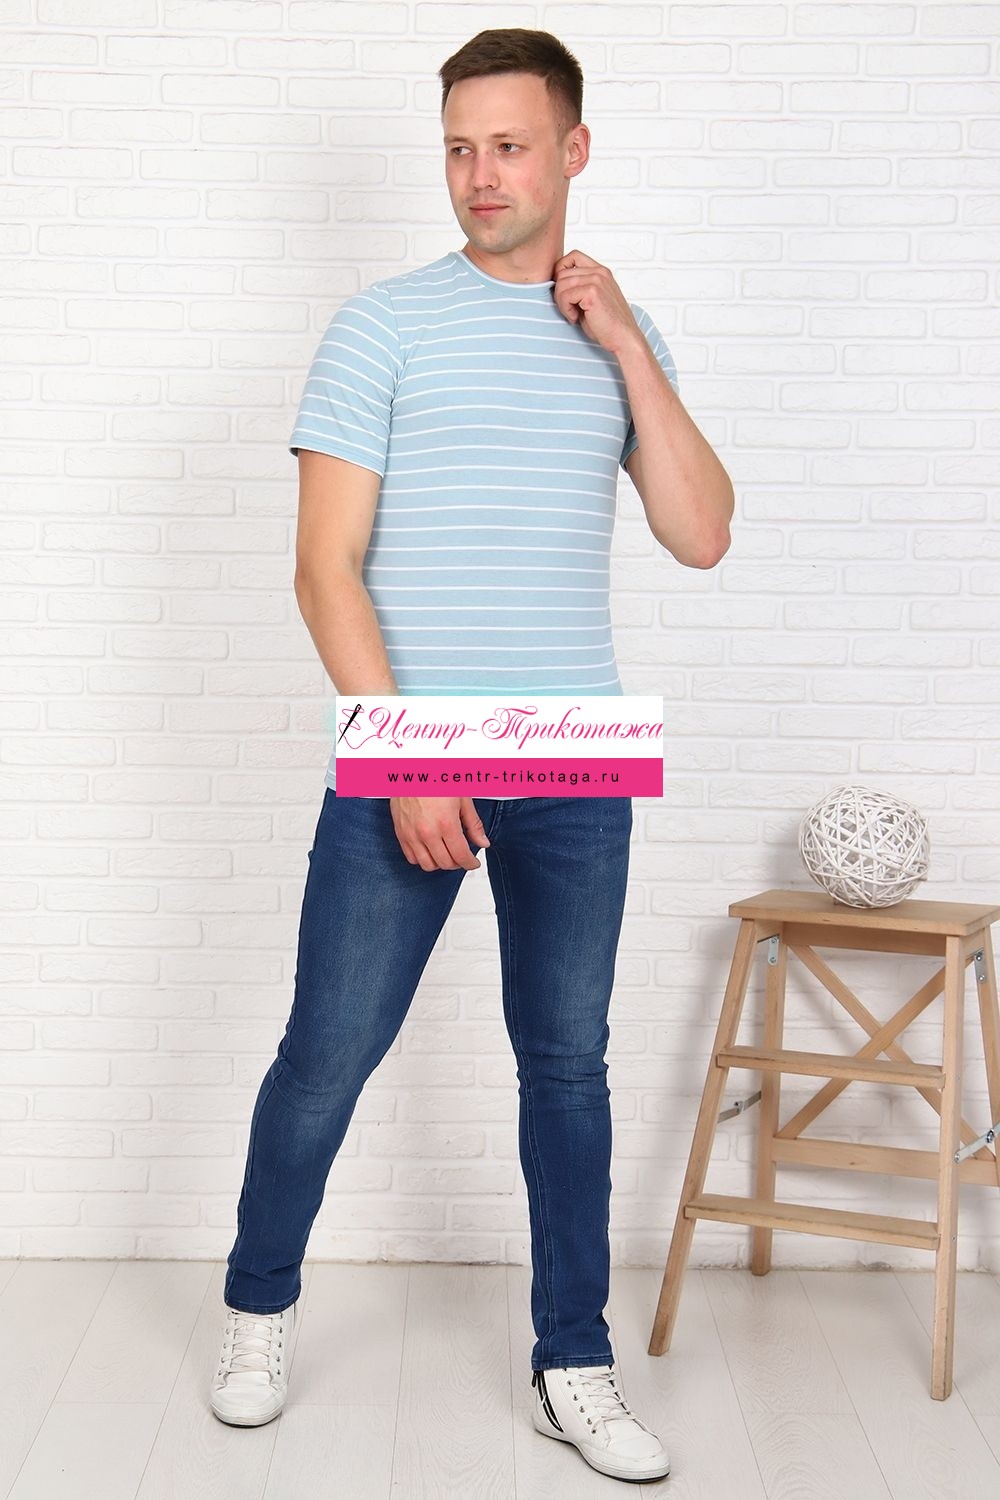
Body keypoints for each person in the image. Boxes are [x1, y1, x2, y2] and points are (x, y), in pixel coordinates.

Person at [210, 27, 734, 1485]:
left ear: (573, 152)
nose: (479, 174)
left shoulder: (620, 333)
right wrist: (409, 757)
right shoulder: (380, 326)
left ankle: (575, 1363)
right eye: (458, 147)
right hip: (411, 749)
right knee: (328, 1052)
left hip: (575, 754)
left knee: (568, 1068)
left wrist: (627, 346)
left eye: (509, 145)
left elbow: (701, 533)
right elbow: (324, 570)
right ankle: (257, 1308)